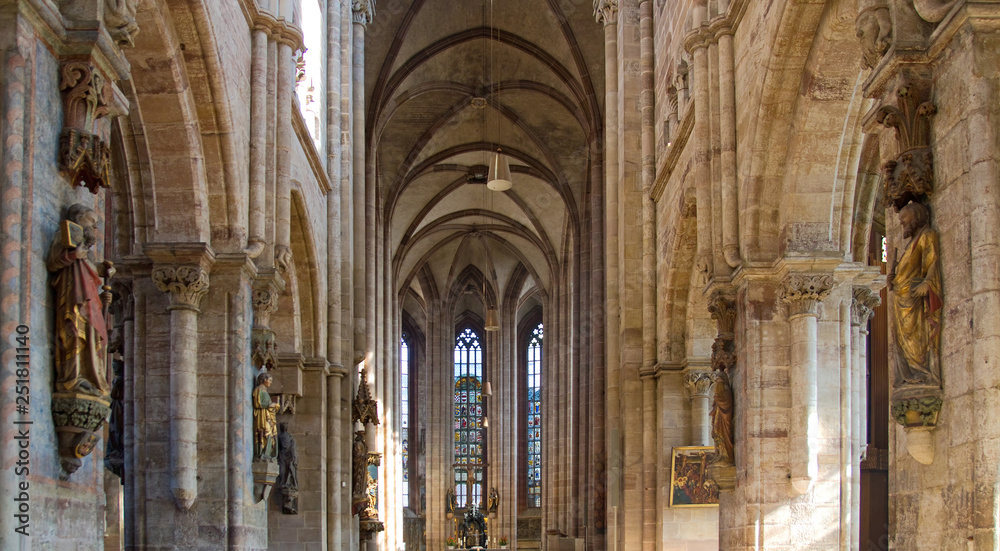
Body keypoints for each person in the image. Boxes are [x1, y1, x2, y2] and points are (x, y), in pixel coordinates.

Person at [47, 204, 113, 396]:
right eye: (91, 221)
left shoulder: (86, 247)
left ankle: (89, 377)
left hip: (90, 300)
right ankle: (72, 379)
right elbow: (53, 261)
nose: (94, 227)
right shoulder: (65, 237)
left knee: (94, 336)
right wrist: (73, 255)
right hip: (72, 297)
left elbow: (90, 266)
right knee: (75, 333)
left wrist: (105, 269)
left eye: (96, 224)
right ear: (77, 219)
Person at [888, 202, 942, 388]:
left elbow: (932, 260)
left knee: (917, 336)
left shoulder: (927, 235)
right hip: (901, 299)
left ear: (916, 218)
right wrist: (893, 280)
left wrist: (927, 282)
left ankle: (921, 372)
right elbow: (906, 269)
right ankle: (907, 377)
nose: (902, 224)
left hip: (915, 299)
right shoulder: (911, 242)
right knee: (901, 340)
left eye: (905, 220)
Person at [252, 372, 281, 460]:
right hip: (262, 416)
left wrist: (274, 405)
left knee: (271, 434)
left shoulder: (265, 391)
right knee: (265, 433)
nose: (270, 382)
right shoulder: (258, 389)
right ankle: (262, 453)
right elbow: (258, 403)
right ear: (264, 380)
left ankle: (268, 453)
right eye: (270, 380)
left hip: (268, 416)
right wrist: (270, 405)